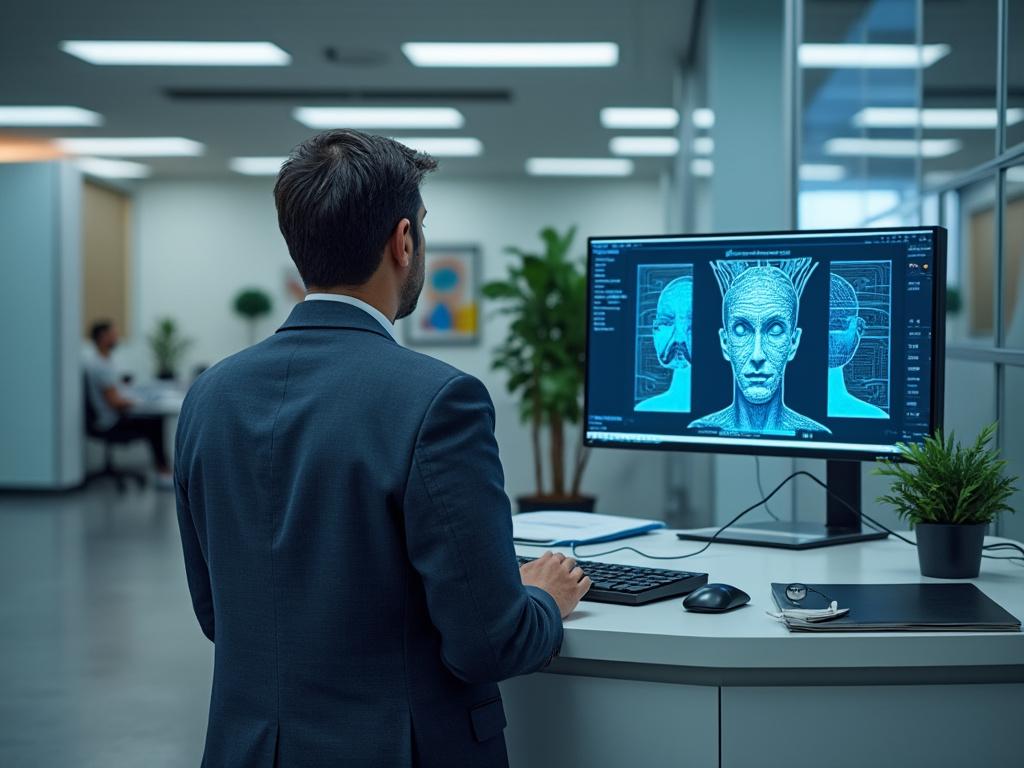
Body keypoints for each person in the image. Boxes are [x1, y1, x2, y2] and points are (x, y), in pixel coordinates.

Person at [173, 130, 590, 768]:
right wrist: (542, 598)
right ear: (403, 241)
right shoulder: (438, 399)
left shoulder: (209, 395)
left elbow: (219, 614)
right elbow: (489, 644)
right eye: (421, 226)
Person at [688, 258, 830, 435]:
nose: (757, 355)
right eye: (741, 329)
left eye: (775, 329)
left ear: (793, 343)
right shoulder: (699, 430)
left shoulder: (817, 434)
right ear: (725, 343)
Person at [84, 320, 172, 483]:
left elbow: (114, 389)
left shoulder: (104, 361)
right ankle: (163, 471)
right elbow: (115, 402)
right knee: (155, 421)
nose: (117, 338)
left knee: (153, 418)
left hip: (112, 415)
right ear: (103, 337)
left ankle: (163, 469)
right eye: (113, 334)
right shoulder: (99, 366)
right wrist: (141, 402)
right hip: (110, 421)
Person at [827, 273, 889, 419]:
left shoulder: (875, 418)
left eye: (837, 323)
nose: (827, 335)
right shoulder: (875, 417)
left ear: (859, 327)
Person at [635, 274, 693, 412]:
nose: (679, 338)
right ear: (655, 329)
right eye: (666, 322)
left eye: (692, 322)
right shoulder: (646, 410)